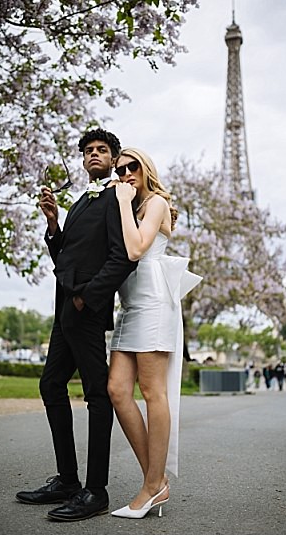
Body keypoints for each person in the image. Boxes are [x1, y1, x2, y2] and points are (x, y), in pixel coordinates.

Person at [17, 128, 138, 522]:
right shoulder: (80, 201)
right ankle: (68, 480)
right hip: (64, 307)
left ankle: (96, 490)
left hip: (85, 308)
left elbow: (123, 257)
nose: (93, 155)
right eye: (88, 151)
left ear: (114, 158)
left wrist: (89, 298)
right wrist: (53, 224)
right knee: (50, 384)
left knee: (96, 394)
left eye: (102, 150)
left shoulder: (118, 198)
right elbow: (65, 254)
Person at [106, 147, 201, 519]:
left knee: (152, 392)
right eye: (121, 169)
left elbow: (136, 248)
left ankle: (151, 486)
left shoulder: (157, 202)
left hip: (154, 305)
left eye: (133, 168)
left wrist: (125, 201)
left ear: (146, 170)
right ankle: (156, 480)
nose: (127, 173)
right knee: (116, 389)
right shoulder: (129, 207)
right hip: (130, 307)